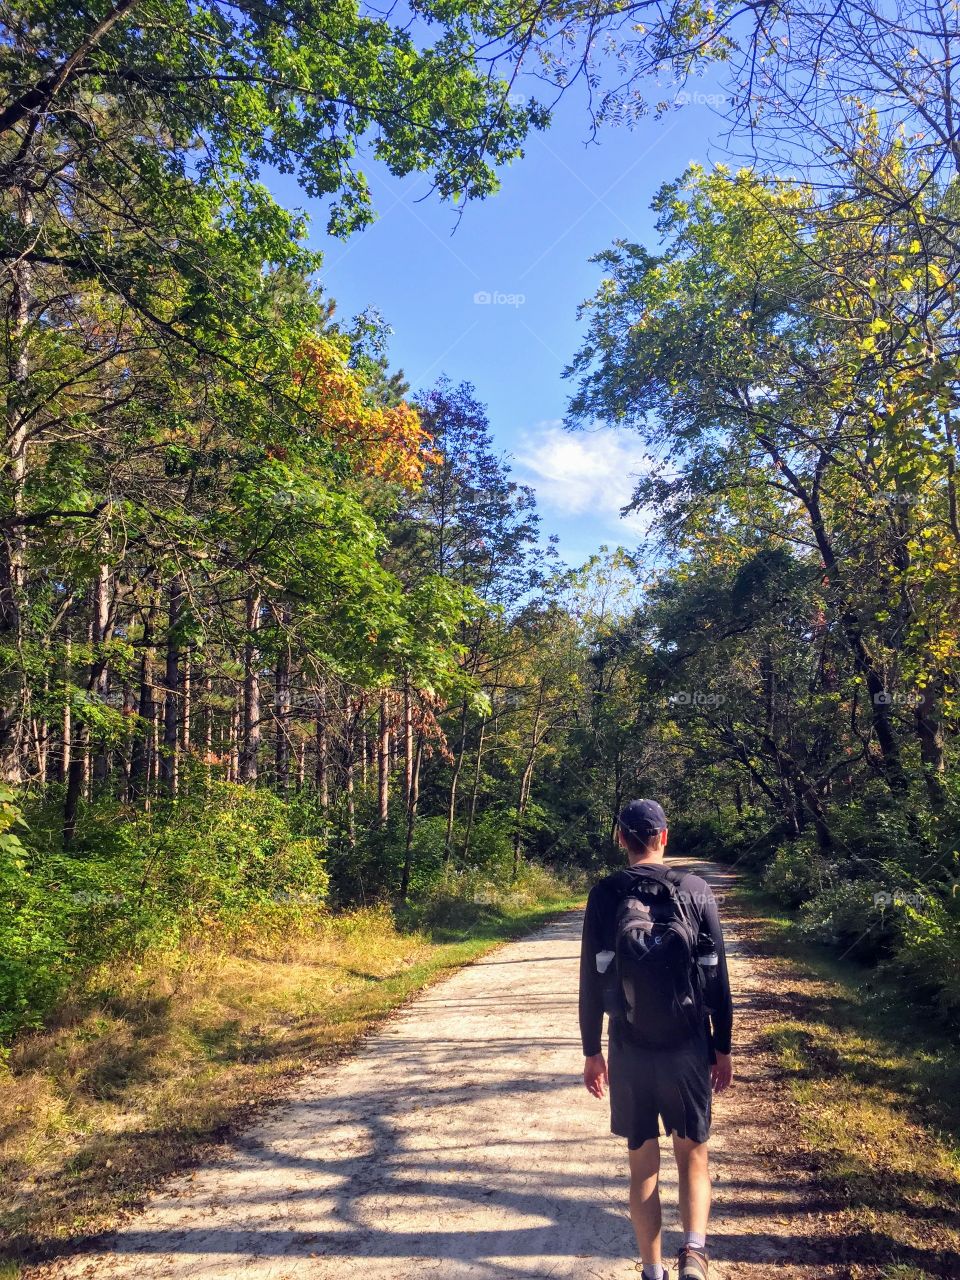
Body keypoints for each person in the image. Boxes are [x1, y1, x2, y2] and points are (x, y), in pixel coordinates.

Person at [578, 798, 733, 1280]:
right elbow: (716, 977)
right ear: (664, 836)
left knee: (643, 1165)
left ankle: (652, 1269)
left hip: (629, 1046)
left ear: (621, 839)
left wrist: (592, 1051)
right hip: (687, 1045)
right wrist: (721, 1046)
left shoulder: (604, 894)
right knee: (693, 1154)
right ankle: (694, 1254)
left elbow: (590, 978)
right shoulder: (696, 889)